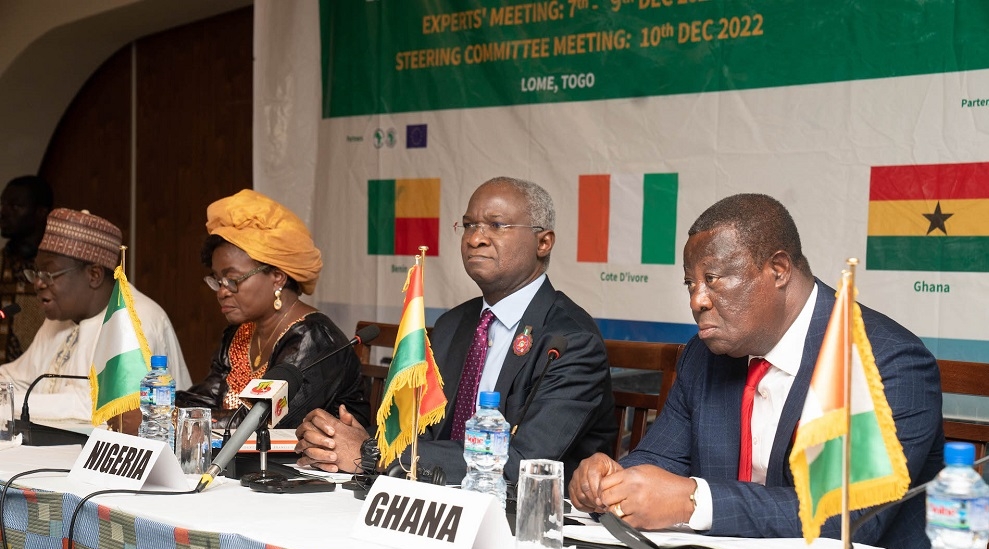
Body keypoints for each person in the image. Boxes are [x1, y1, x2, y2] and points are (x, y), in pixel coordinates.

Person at [569, 193, 944, 549]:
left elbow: (846, 515)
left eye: (712, 278)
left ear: (778, 270)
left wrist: (692, 502)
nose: (697, 300)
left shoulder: (879, 361)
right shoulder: (705, 355)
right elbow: (660, 460)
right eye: (691, 284)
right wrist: (612, 480)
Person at [295, 176, 616, 484]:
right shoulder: (453, 325)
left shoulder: (570, 340)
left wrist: (374, 454)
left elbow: (523, 462)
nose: (475, 238)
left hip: (524, 522)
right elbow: (422, 434)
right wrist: (343, 440)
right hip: (433, 502)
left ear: (543, 242)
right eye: (469, 225)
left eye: (496, 225)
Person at [176, 189, 369, 430]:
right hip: (244, 462)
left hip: (310, 466)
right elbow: (203, 399)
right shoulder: (239, 334)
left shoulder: (315, 340)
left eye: (233, 279)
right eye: (217, 280)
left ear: (277, 277)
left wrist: (186, 420)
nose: (222, 291)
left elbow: (264, 421)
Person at [0, 207, 191, 425]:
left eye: (48, 274)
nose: (38, 283)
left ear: (94, 275)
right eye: (35, 273)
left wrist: (12, 402)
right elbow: (20, 378)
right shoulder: (62, 317)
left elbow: (99, 405)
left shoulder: (133, 320)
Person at [0, 175, 52, 362]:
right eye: (3, 204)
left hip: (38, 382)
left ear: (40, 212)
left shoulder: (57, 271)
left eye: (15, 206)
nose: (3, 212)